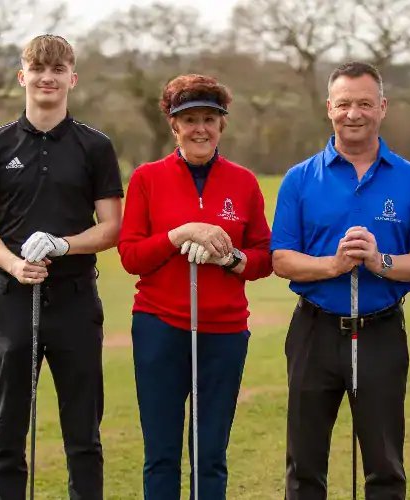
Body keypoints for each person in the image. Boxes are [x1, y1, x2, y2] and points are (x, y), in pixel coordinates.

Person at [270, 61, 410, 500]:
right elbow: (282, 259)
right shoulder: (299, 179)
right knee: (304, 462)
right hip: (315, 330)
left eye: (365, 103)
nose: (354, 113)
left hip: (381, 331)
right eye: (345, 103)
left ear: (382, 108)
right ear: (329, 107)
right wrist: (333, 266)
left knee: (385, 464)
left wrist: (379, 261)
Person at [0, 34, 124, 499]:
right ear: (22, 77)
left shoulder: (95, 146)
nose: (47, 78)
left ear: (72, 78)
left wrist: (62, 245)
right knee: (7, 433)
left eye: (57, 70)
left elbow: (111, 227)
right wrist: (15, 265)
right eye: (38, 69)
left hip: (74, 301)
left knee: (83, 436)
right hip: (12, 301)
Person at [117, 73, 273, 499]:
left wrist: (232, 259)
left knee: (210, 453)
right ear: (173, 125)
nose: (199, 128)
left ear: (222, 124)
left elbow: (263, 259)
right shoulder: (148, 178)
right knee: (162, 452)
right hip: (160, 326)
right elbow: (130, 255)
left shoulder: (243, 182)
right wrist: (178, 234)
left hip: (223, 331)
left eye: (209, 118)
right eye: (189, 120)